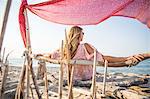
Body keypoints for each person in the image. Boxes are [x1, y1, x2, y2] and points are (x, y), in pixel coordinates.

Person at [37, 26, 150, 81]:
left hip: (72, 78)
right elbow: (104, 59)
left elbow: (50, 56)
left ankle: (132, 59)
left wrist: (41, 55)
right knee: (109, 62)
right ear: (77, 35)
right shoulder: (85, 46)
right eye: (82, 33)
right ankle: (132, 59)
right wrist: (126, 58)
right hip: (87, 77)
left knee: (107, 62)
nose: (83, 35)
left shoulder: (63, 49)